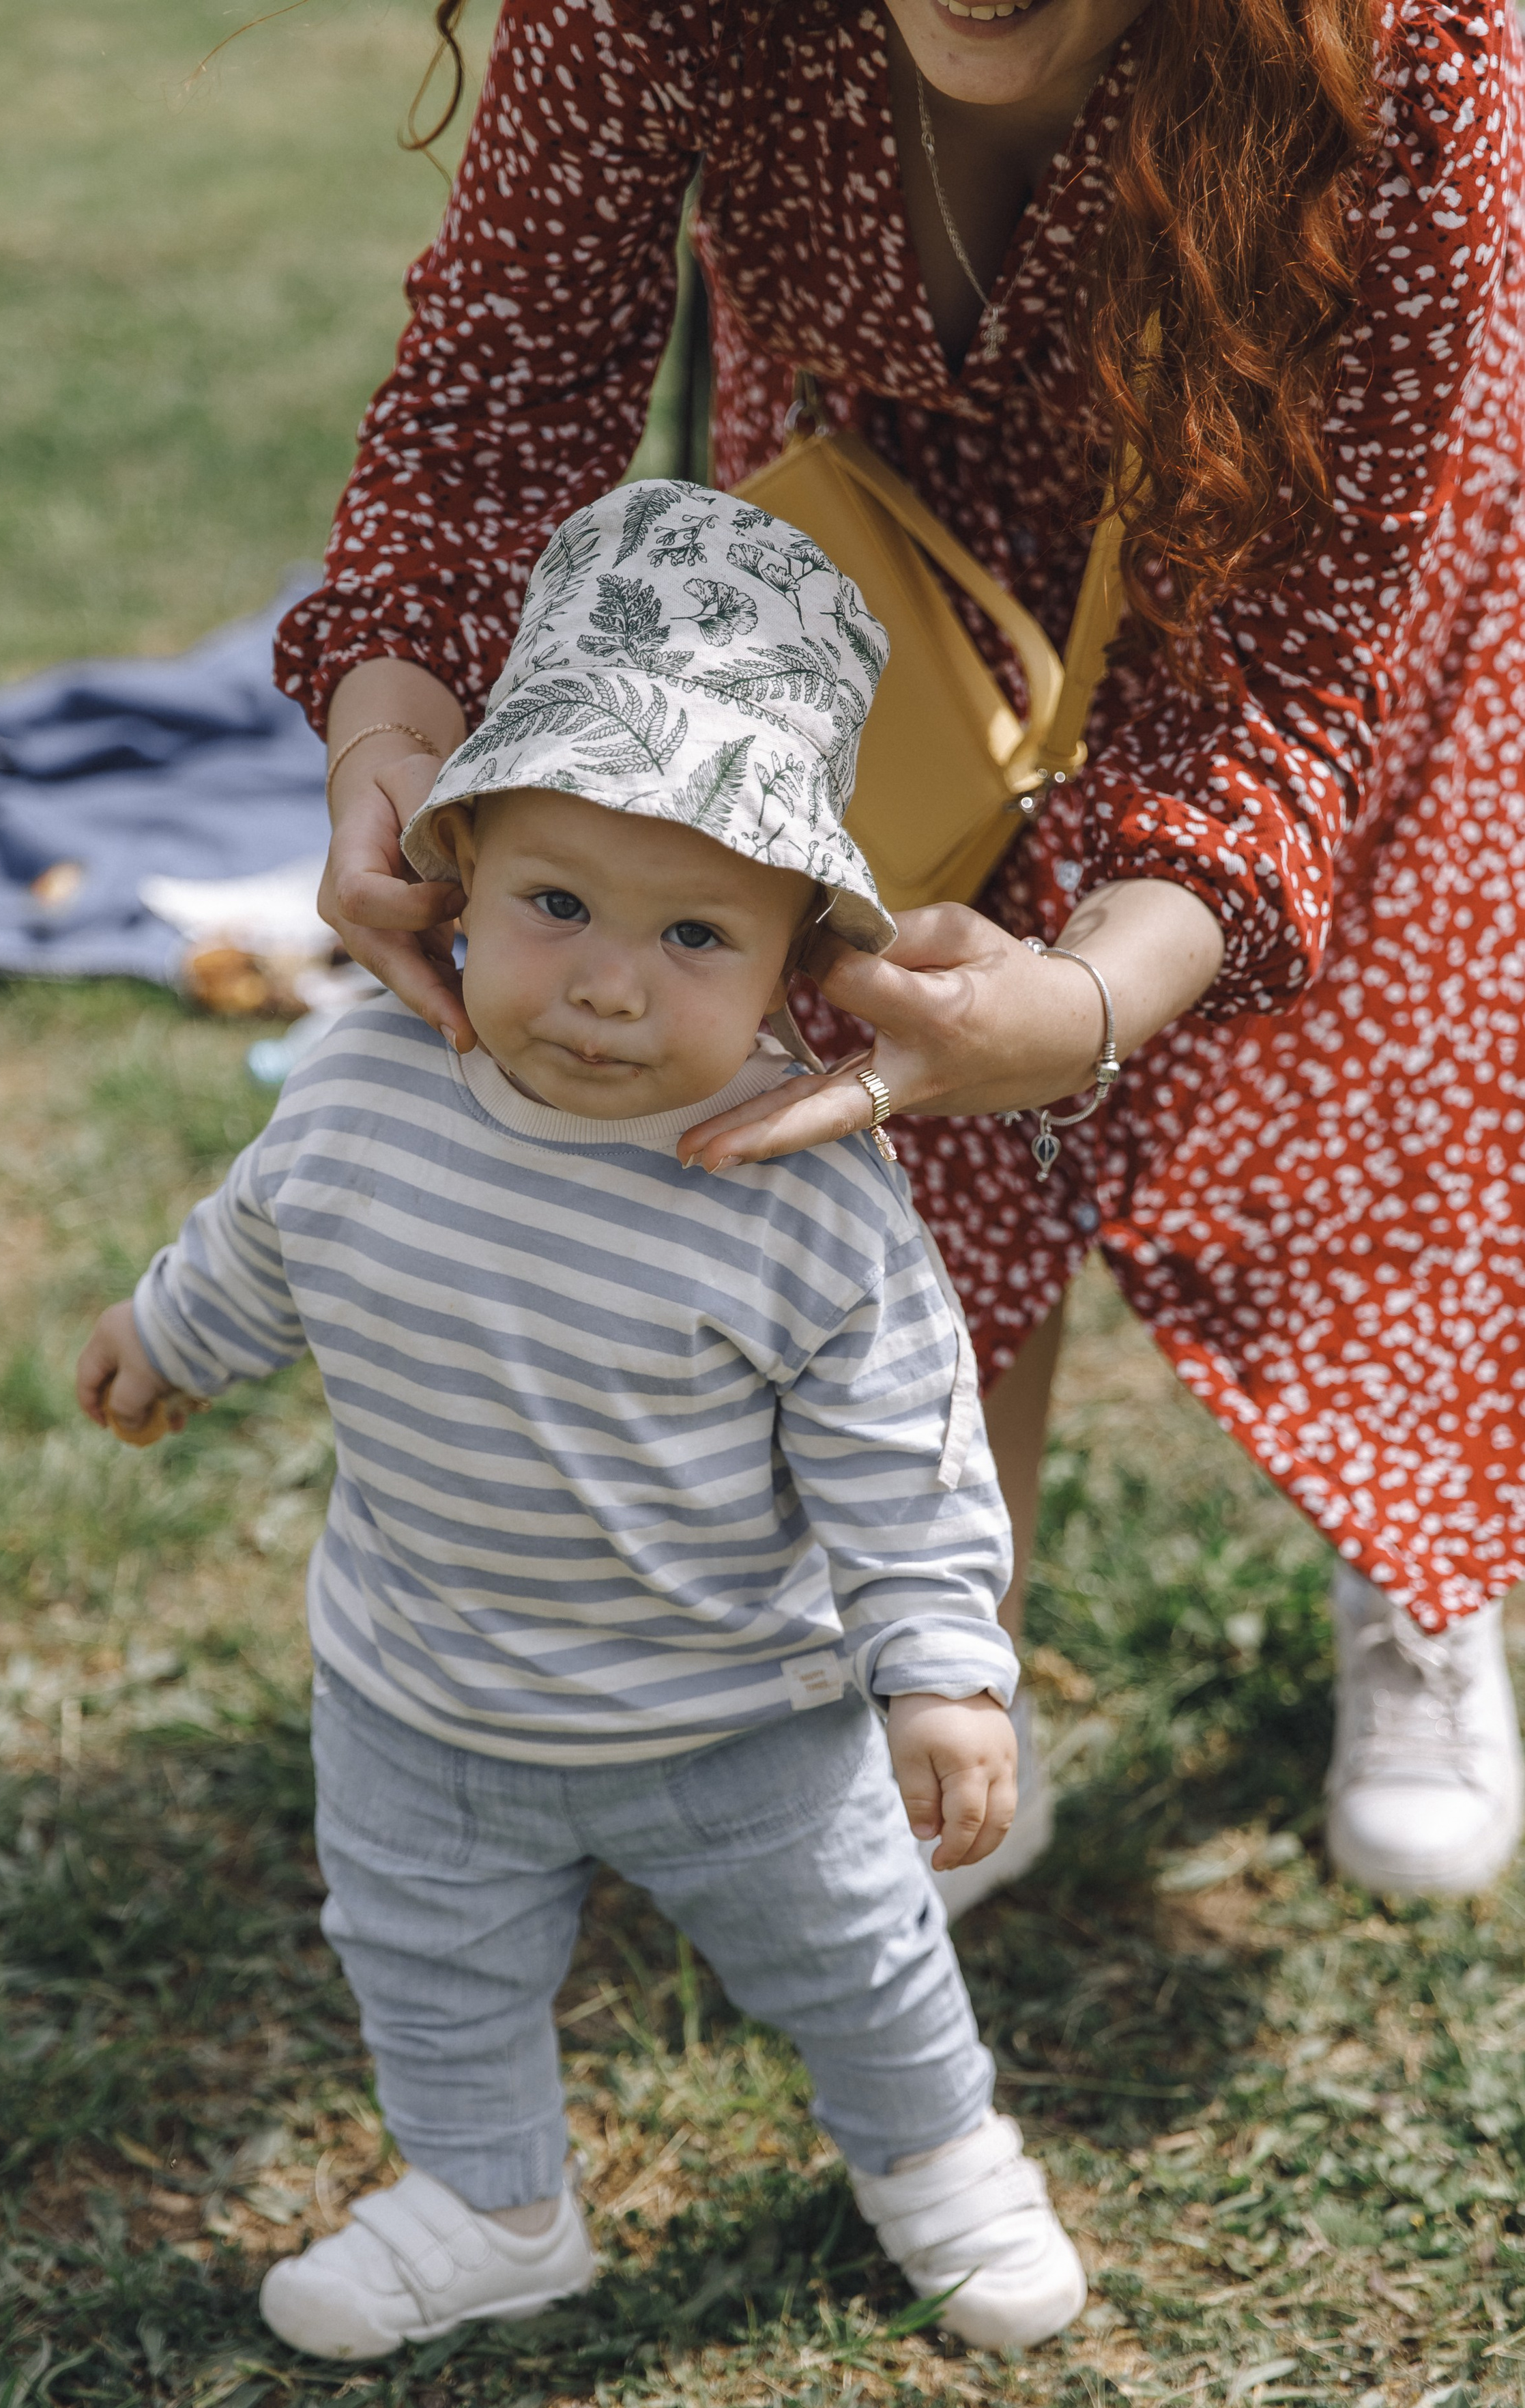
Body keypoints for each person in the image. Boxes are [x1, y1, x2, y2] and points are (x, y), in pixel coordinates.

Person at [276, 0, 1525, 1904]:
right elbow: (506, 381)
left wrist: (1099, 994)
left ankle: (1415, 1565)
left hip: (1284, 522)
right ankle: (930, 1655)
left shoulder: (1419, 42)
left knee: (1348, 1040)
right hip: (873, 524)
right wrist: (394, 722)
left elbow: (1302, 657)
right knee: (861, 1083)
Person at [75, 483, 1088, 2360]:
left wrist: (942, 1667)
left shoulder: (790, 1186)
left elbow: (902, 1442)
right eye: (555, 904)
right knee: (427, 1971)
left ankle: (938, 2154)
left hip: (736, 1716)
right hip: (418, 1696)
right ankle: (493, 2199)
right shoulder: (378, 1066)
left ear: (800, 964)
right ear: (456, 881)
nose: (611, 983)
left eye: (698, 935)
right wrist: (170, 1331)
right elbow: (279, 1228)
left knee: (855, 1959)